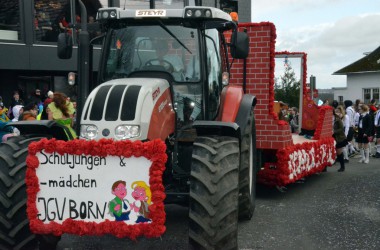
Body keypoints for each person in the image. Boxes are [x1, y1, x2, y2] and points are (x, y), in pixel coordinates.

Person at [333, 107, 348, 172]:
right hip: (331, 137)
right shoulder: (327, 119)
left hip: (339, 137)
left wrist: (334, 131)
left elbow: (341, 128)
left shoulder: (337, 119)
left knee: (339, 152)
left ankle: (342, 166)